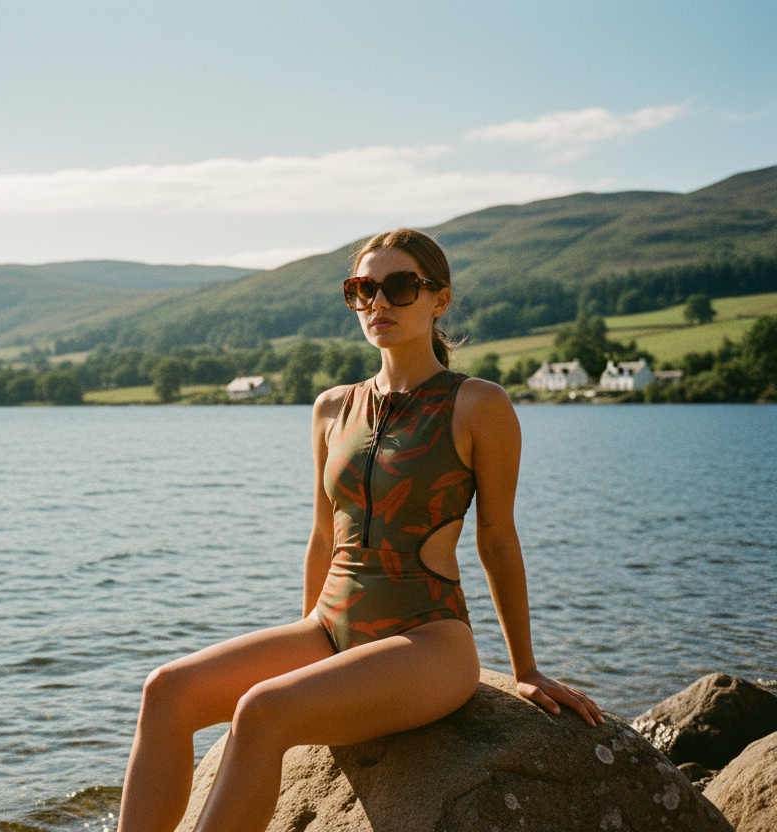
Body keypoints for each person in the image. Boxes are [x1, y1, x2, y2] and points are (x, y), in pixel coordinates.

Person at [116, 229, 603, 832]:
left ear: (439, 300)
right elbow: (324, 537)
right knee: (165, 690)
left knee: (262, 711)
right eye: (362, 289)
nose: (378, 303)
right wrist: (308, 651)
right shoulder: (331, 409)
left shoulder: (478, 406)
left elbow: (497, 539)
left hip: (427, 639)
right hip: (331, 625)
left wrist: (525, 670)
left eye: (399, 287)